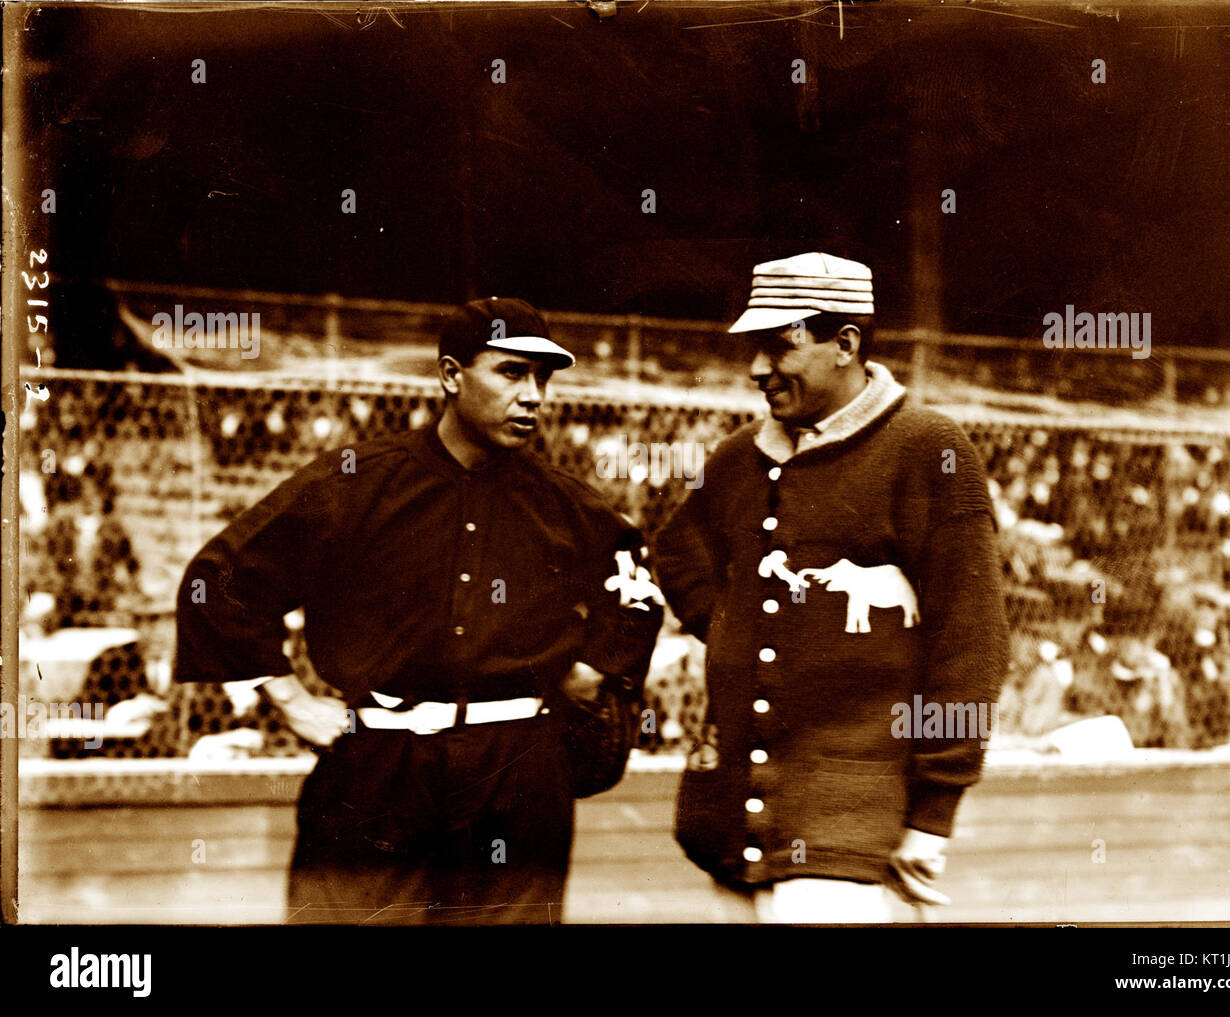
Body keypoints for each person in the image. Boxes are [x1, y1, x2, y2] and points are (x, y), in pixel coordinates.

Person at [173, 297, 662, 924]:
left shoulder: (567, 504)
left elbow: (636, 594)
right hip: (379, 763)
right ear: (452, 376)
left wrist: (593, 672)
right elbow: (218, 581)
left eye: (542, 377)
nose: (534, 395)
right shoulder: (356, 482)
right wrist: (287, 696)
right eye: (512, 372)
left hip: (514, 767)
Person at [652, 253, 1010, 923]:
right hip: (734, 824)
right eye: (753, 348)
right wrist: (732, 625)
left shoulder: (929, 448)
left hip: (852, 828)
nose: (757, 368)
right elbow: (676, 548)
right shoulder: (738, 458)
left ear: (845, 343)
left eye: (778, 344)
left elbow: (972, 640)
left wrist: (935, 813)